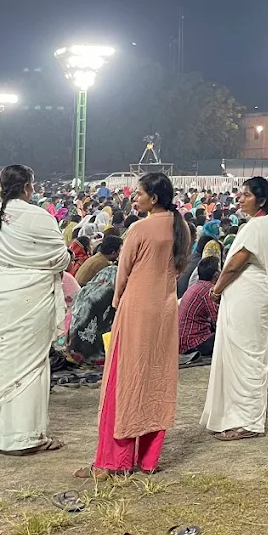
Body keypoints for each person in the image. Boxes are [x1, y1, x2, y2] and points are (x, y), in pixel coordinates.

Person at [80, 171, 190, 478]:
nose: (134, 198)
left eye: (139, 194)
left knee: (124, 381)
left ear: (153, 198)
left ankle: (114, 461)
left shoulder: (140, 228)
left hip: (136, 310)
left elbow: (123, 273)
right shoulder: (181, 227)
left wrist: (116, 304)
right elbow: (179, 268)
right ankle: (148, 459)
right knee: (156, 380)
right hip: (165, 311)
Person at [0, 164, 71, 456]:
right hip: (29, 295)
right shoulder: (38, 217)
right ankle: (25, 437)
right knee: (30, 365)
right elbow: (60, 258)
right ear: (28, 186)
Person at [200, 176, 268, 441]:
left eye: (246, 195)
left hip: (248, 297)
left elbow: (236, 263)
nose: (239, 198)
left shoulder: (257, 227)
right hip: (251, 296)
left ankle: (249, 422)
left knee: (247, 357)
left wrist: (216, 289)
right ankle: (238, 416)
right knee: (243, 356)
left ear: (260, 200)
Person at [178, 256, 221, 357]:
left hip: (182, 342)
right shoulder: (209, 290)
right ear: (216, 275)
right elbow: (218, 321)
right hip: (193, 344)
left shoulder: (195, 286)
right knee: (228, 339)